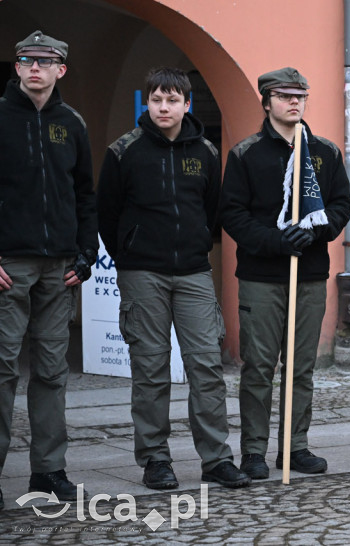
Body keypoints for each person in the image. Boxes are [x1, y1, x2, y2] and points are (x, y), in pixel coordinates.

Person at [97, 67, 249, 490]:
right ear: (147, 102)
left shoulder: (205, 151)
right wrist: (130, 251)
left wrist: (198, 242)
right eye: (157, 100)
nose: (164, 107)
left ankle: (216, 458)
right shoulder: (123, 151)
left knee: (206, 366)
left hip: (193, 273)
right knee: (150, 368)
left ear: (186, 104)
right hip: (142, 273)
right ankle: (155, 459)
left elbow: (212, 207)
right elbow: (106, 212)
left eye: (173, 100)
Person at [221, 67, 350, 479]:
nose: (294, 102)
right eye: (284, 96)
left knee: (301, 367)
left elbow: (341, 205)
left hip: (310, 273)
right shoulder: (246, 153)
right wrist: (276, 240)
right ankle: (254, 452)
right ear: (267, 101)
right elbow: (233, 215)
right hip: (263, 275)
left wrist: (316, 229)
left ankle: (295, 447)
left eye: (300, 95)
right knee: (259, 366)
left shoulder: (324, 152)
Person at [0, 31, 98, 508]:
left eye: (45, 61)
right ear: (17, 67)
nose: (35, 67)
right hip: (9, 266)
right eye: (26, 60)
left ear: (61, 69)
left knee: (52, 371)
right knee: (2, 371)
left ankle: (49, 470)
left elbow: (85, 193)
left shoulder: (71, 123)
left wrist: (86, 253)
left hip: (60, 267)